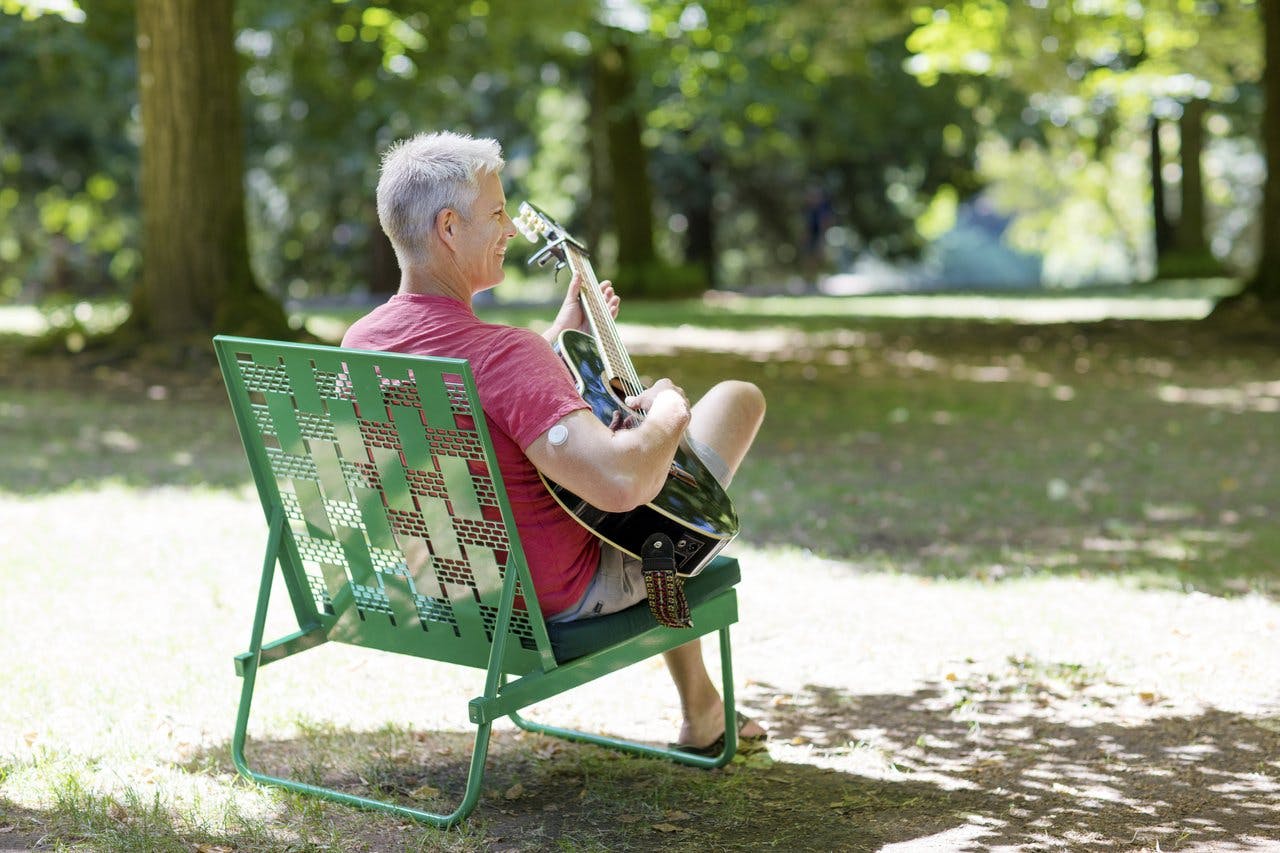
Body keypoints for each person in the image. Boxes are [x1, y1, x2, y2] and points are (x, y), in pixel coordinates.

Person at [342, 131, 766, 753]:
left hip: (441, 582)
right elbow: (621, 483)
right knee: (731, 406)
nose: (511, 227)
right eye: (496, 213)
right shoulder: (505, 357)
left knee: (650, 511)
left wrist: (555, 343)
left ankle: (701, 708)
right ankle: (702, 711)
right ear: (450, 227)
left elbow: (481, 402)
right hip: (548, 598)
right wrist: (669, 409)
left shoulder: (364, 341)